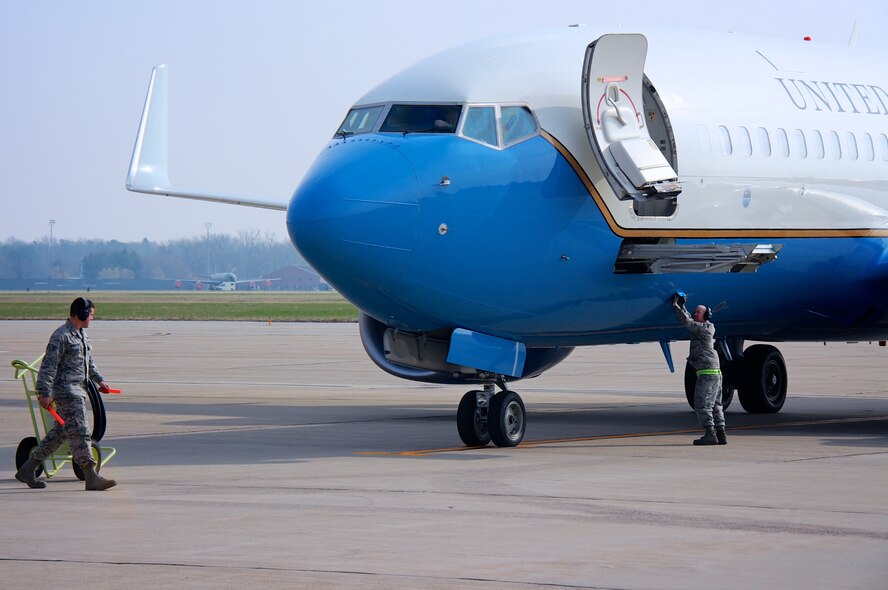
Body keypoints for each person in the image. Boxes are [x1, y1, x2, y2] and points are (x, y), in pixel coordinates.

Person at [15, 297, 118, 490]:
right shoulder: (61, 336)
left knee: (60, 434)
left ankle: (28, 469)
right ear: (82, 314)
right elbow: (48, 367)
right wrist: (44, 392)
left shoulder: (81, 335)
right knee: (81, 432)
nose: (92, 319)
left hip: (79, 390)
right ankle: (91, 476)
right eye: (91, 315)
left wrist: (100, 380)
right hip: (67, 392)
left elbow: (88, 362)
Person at [671, 293, 727, 446]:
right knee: (716, 404)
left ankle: (710, 434)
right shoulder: (706, 327)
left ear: (706, 315)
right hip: (715, 372)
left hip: (707, 373)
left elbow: (688, 323)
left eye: (698, 312)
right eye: (695, 311)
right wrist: (683, 307)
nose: (695, 314)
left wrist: (676, 306)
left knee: (701, 404)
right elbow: (691, 319)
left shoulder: (704, 329)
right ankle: (721, 434)